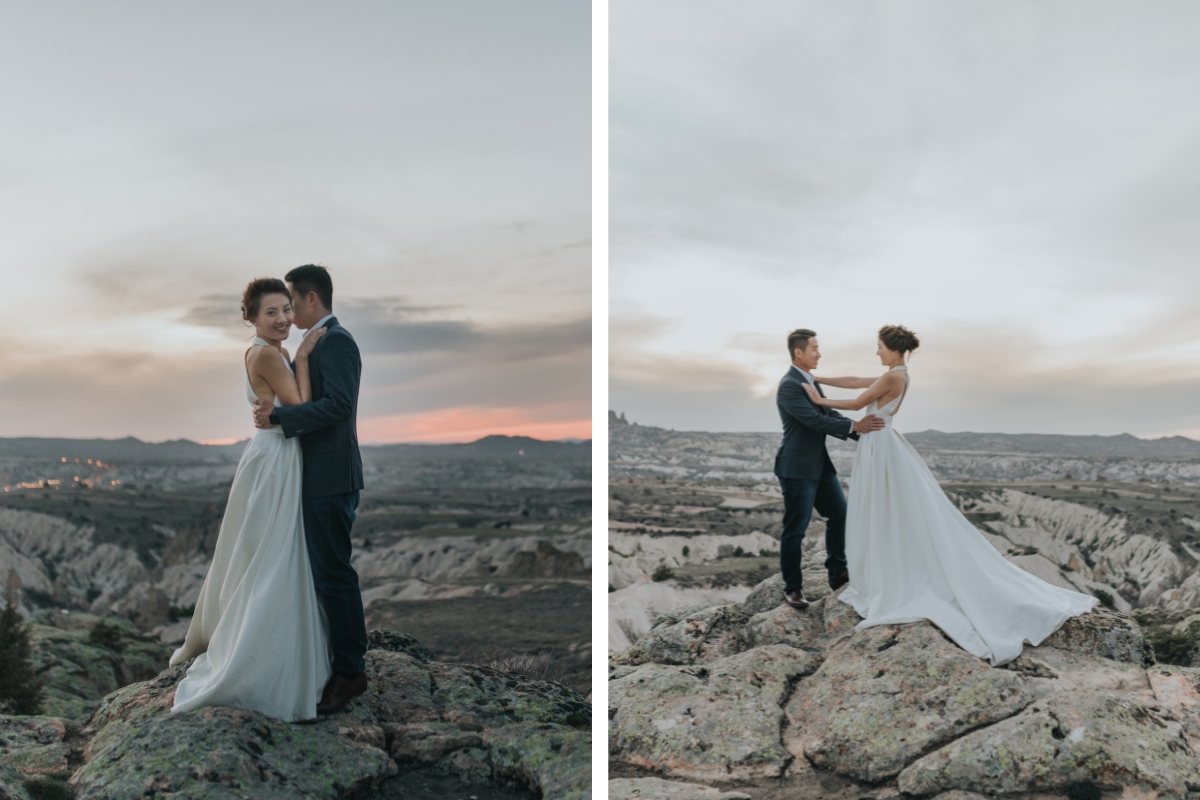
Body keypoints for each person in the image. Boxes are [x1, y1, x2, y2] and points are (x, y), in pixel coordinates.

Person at [803, 324, 1098, 665]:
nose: (877, 352)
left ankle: (893, 568)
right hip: (879, 442)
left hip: (879, 443)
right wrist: (820, 380)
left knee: (884, 505)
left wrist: (817, 399)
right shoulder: (896, 372)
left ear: (893, 349)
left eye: (880, 347)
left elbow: (857, 401)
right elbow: (857, 380)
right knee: (887, 505)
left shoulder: (893, 376)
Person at [170, 278, 330, 721]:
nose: (282, 320)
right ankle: (259, 655)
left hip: (272, 452)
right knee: (272, 552)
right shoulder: (267, 353)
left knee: (263, 547)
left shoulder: (263, 351)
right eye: (271, 313)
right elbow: (301, 406)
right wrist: (302, 357)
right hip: (276, 455)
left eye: (286, 310)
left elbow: (283, 409)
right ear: (251, 319)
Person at [252, 264, 368, 715]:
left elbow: (338, 405)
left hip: (331, 476)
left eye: (291, 303)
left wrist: (281, 419)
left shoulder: (336, 342)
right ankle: (332, 663)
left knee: (334, 575)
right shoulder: (310, 344)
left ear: (310, 300)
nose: (287, 312)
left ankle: (351, 672)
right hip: (314, 475)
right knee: (322, 573)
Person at [773, 328, 886, 610]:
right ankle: (793, 588)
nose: (819, 353)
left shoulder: (809, 382)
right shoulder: (789, 384)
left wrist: (859, 430)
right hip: (797, 468)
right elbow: (813, 420)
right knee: (795, 530)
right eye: (814, 348)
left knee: (840, 514)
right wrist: (854, 426)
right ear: (799, 352)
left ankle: (837, 572)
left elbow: (827, 413)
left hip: (820, 466)